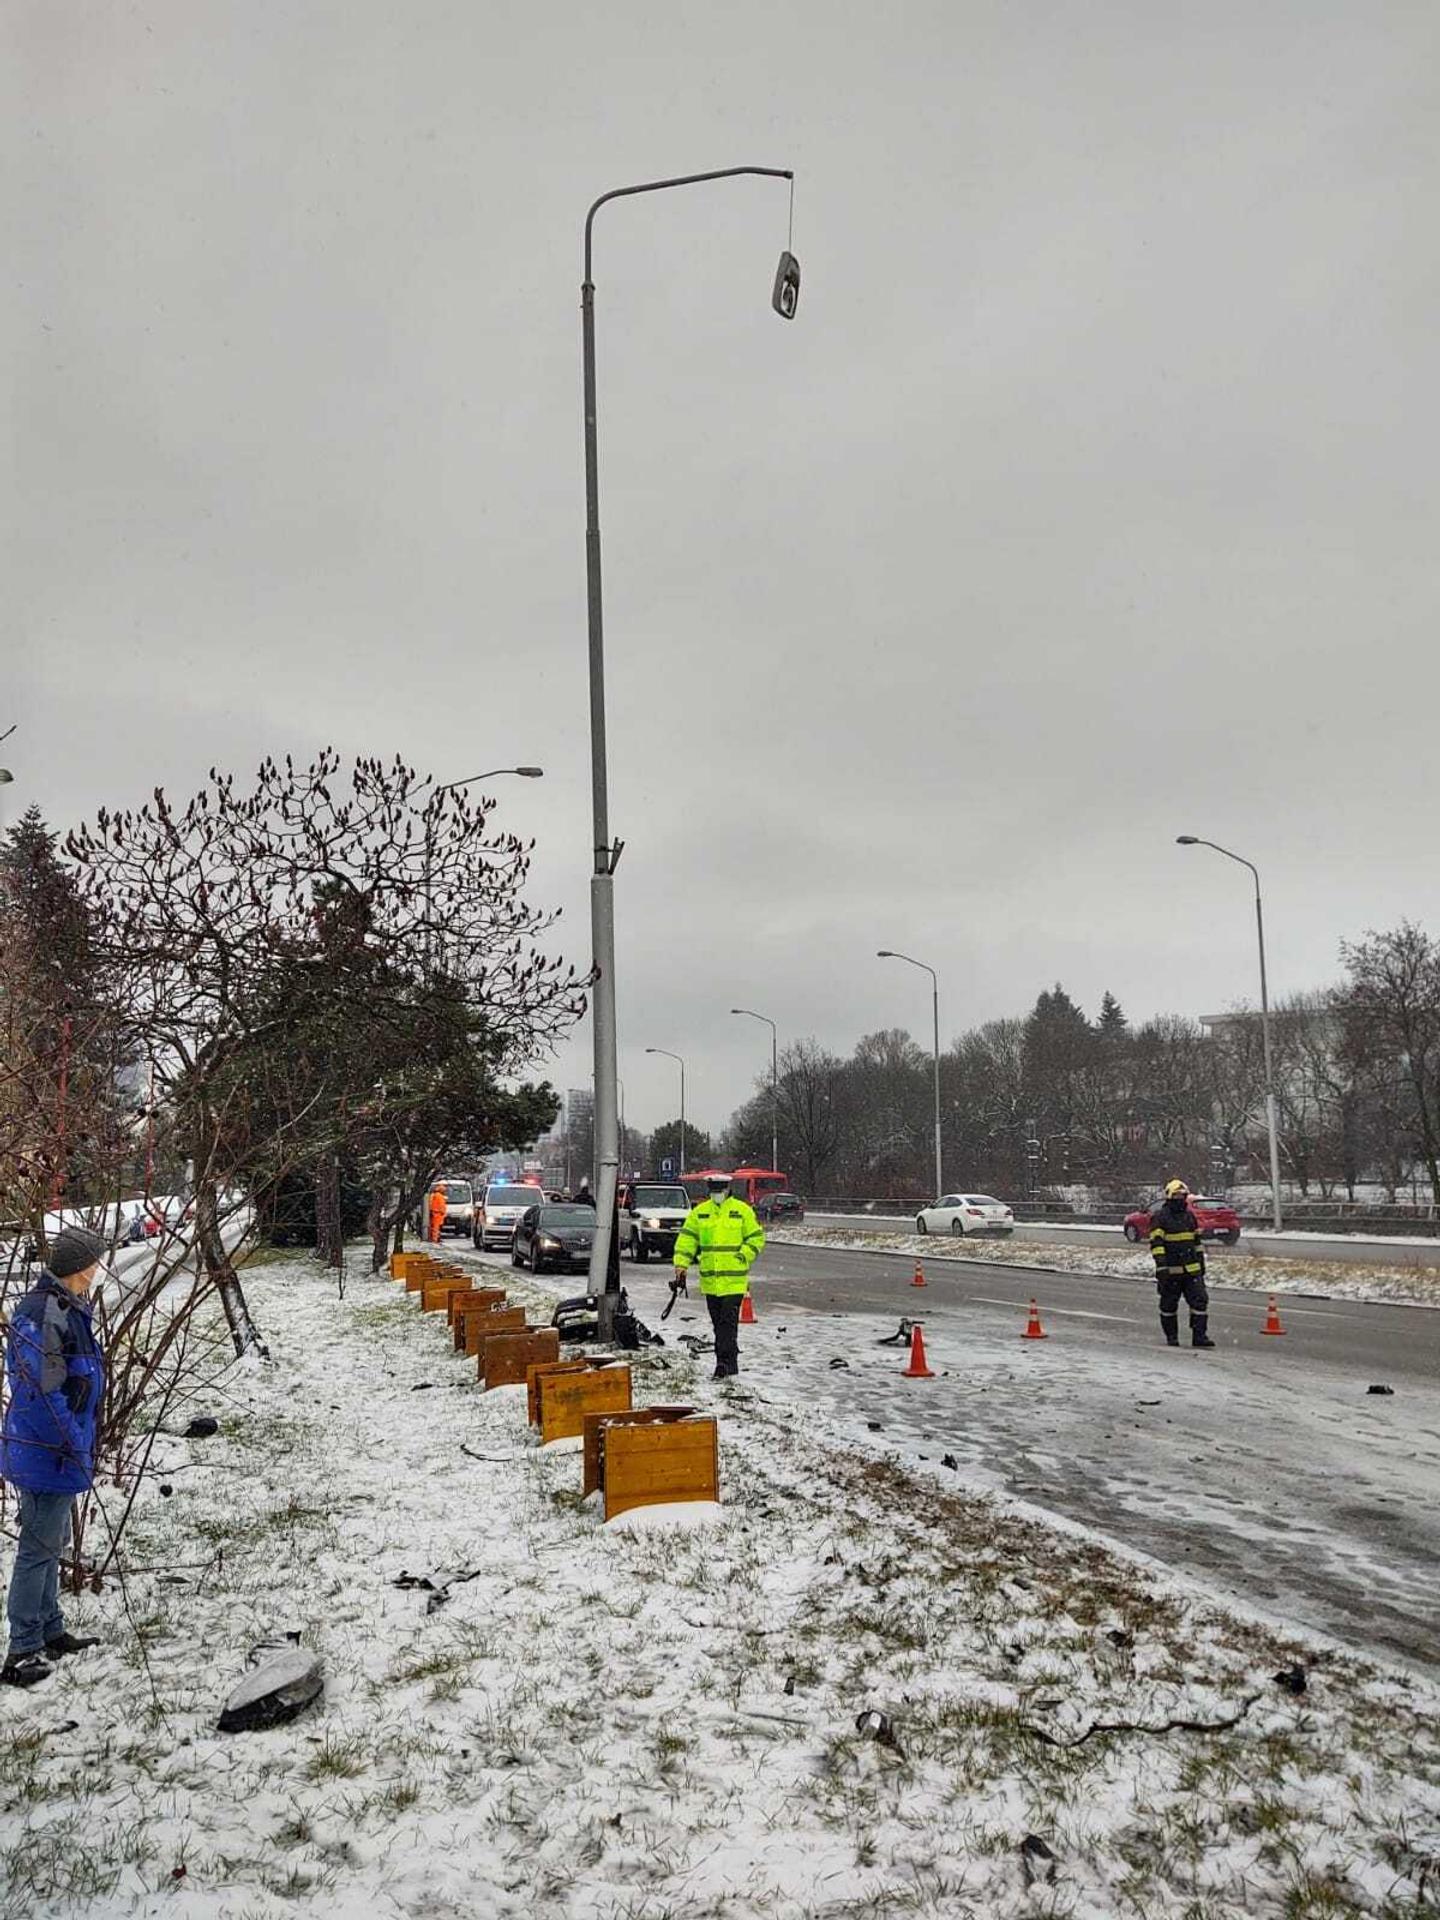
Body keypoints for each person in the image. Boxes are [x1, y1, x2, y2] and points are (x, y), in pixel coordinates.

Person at [2, 1226, 107, 1688]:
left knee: (51, 1541)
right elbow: (40, 1395)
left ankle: (49, 1629)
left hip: (61, 1447)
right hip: (49, 1451)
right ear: (78, 1267)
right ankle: (22, 1647)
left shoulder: (64, 1308)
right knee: (37, 1549)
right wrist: (68, 1441)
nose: (98, 1271)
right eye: (93, 1263)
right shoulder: (44, 1315)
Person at [670, 1172, 765, 1380]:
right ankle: (730, 1364)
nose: (717, 1195)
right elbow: (687, 1240)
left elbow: (756, 1238)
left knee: (727, 1324)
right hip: (711, 1282)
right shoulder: (700, 1213)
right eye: (713, 1191)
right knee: (718, 1325)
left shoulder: (742, 1211)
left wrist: (744, 1256)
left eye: (720, 1191)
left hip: (734, 1281)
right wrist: (681, 1265)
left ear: (728, 1190)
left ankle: (723, 1364)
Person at [1150, 1178, 1215, 1349]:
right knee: (1169, 1305)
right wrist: (1162, 1266)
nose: (1180, 1199)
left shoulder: (1189, 1217)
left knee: (1200, 1301)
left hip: (1192, 1271)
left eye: (1183, 1195)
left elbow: (1196, 1242)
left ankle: (1199, 1336)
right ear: (1169, 1197)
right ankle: (1172, 1336)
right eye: (1177, 1195)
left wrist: (1200, 1263)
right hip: (1171, 1271)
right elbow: (1157, 1244)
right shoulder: (1160, 1218)